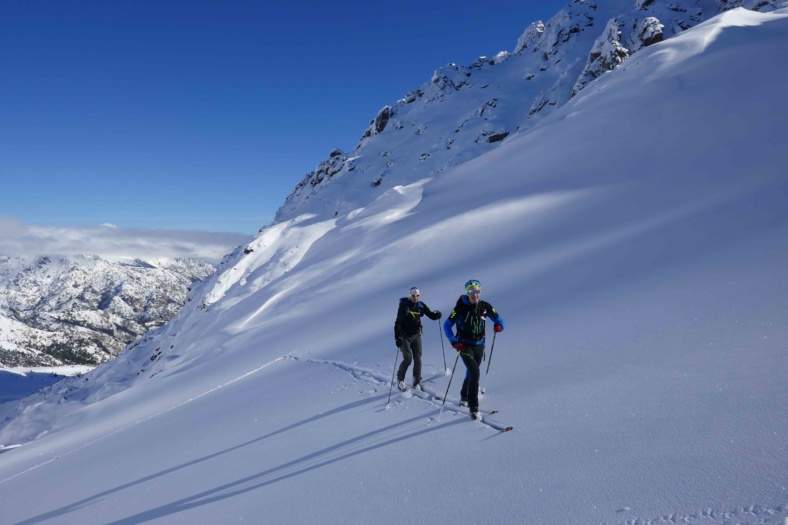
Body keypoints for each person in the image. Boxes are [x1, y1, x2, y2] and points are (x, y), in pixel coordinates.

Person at [443, 279, 504, 420]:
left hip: (480, 345)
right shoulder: (460, 307)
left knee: (471, 372)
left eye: (477, 291)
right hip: (464, 345)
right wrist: (454, 342)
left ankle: (464, 395)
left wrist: (499, 327)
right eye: (471, 291)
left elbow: (500, 321)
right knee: (475, 372)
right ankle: (473, 408)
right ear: (467, 293)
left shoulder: (485, 306)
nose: (474, 295)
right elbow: (447, 326)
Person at [394, 286, 442, 391]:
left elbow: (430, 315)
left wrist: (436, 315)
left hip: (417, 335)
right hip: (405, 336)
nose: (415, 297)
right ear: (410, 295)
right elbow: (398, 323)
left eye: (417, 295)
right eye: (413, 295)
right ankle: (400, 380)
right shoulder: (404, 306)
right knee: (408, 359)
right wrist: (397, 337)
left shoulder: (420, 305)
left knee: (418, 359)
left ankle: (416, 381)